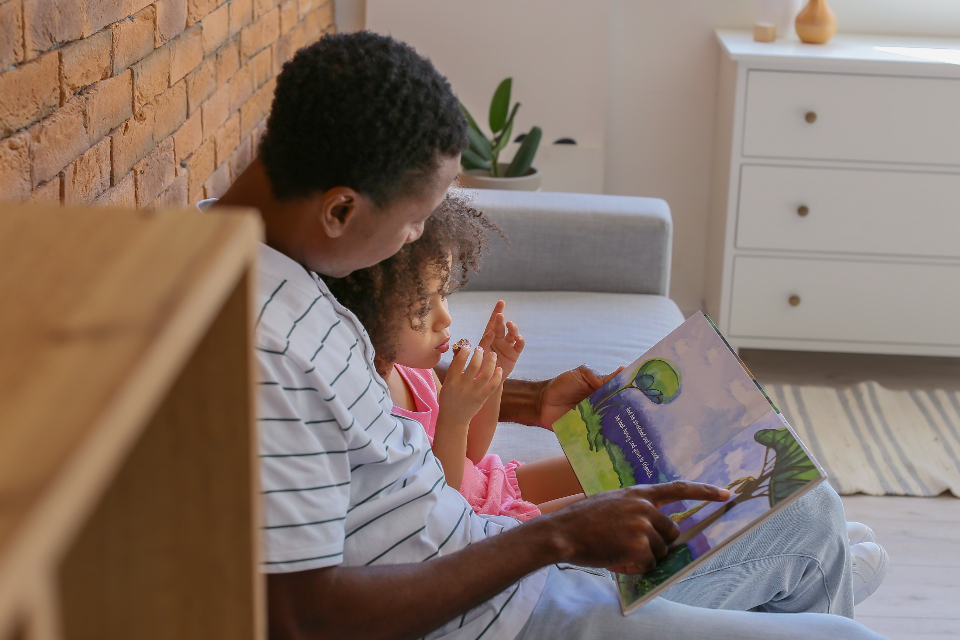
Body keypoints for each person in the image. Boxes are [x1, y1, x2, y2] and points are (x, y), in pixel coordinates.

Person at [212, 31, 889, 640]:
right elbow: (305, 617)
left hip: (493, 562)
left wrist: (529, 401)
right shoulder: (267, 344)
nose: (414, 237)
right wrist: (559, 536)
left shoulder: (277, 259)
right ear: (339, 210)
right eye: (415, 220)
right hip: (497, 610)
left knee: (804, 513)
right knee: (826, 587)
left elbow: (394, 402)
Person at [322, 193, 587, 522]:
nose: (445, 318)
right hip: (473, 523)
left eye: (444, 294)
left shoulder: (414, 372)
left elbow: (471, 454)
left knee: (604, 466)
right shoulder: (371, 408)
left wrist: (492, 378)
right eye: (422, 309)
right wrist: (454, 418)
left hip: (488, 488)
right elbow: (439, 505)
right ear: (365, 315)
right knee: (613, 504)